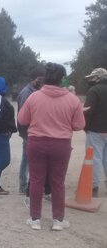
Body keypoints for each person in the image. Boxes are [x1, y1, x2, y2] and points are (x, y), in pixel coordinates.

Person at [18, 62, 85, 231]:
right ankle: (58, 220)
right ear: (62, 79)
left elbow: (22, 120)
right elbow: (79, 125)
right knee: (58, 182)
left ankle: (35, 219)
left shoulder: (34, 97)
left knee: (36, 181)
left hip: (36, 143)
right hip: (60, 144)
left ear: (45, 78)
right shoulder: (72, 100)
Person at [17, 69, 45, 194]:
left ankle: (30, 185)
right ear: (31, 79)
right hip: (28, 132)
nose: (40, 81)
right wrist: (25, 134)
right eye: (37, 79)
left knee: (32, 160)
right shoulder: (26, 93)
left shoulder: (35, 91)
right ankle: (23, 186)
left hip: (34, 131)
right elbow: (23, 116)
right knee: (26, 160)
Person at [84, 68, 107, 197]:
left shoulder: (94, 90)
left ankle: (93, 187)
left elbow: (88, 111)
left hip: (96, 130)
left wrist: (85, 126)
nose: (90, 80)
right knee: (106, 159)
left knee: (95, 159)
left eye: (92, 77)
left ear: (98, 78)